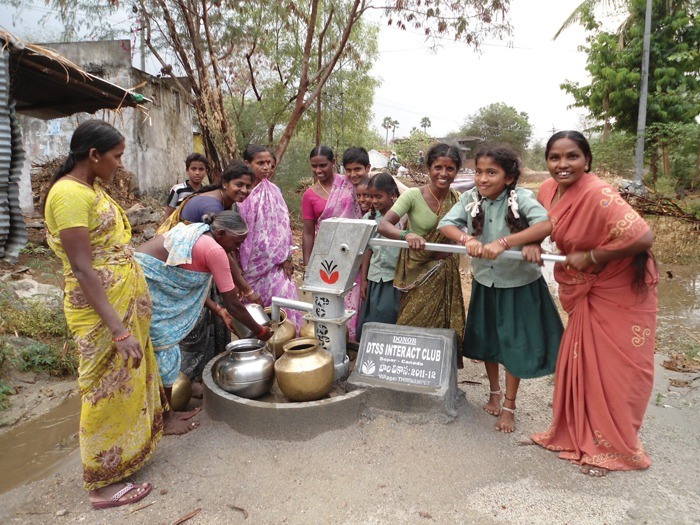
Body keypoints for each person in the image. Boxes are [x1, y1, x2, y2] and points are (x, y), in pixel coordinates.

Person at [43, 120, 164, 510]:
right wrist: (116, 329)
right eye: (116, 157)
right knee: (103, 389)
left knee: (128, 379)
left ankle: (131, 451)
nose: (119, 165)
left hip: (123, 302)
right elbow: (82, 268)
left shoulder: (90, 189)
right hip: (100, 313)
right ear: (93, 155)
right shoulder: (68, 196)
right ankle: (101, 485)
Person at [530, 131, 658, 477]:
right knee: (586, 360)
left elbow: (642, 235)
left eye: (572, 156)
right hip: (587, 287)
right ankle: (579, 435)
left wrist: (593, 254)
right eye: (554, 158)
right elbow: (538, 226)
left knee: (620, 366)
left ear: (587, 160)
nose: (562, 164)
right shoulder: (546, 190)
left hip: (621, 287)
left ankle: (615, 446)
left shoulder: (598, 192)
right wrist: (527, 243)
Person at [438, 145, 563, 433]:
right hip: (485, 283)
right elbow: (447, 224)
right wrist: (466, 240)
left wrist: (506, 243)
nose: (483, 179)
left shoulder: (521, 198)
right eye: (479, 172)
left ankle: (509, 404)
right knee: (489, 342)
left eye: (491, 173)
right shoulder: (471, 198)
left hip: (517, 285)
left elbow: (546, 224)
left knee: (512, 345)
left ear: (508, 178)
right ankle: (493, 391)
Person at [135, 210, 273, 434]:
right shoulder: (214, 250)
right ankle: (163, 420)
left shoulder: (200, 233)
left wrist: (219, 311)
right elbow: (234, 305)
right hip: (143, 284)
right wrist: (260, 331)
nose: (237, 248)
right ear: (220, 233)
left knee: (159, 350)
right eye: (236, 242)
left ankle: (160, 412)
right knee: (166, 349)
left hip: (139, 276)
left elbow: (195, 287)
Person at [157, 160, 257, 385]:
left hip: (199, 265)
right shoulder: (212, 207)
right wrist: (247, 289)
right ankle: (184, 382)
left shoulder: (224, 203)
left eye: (248, 186)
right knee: (198, 328)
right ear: (224, 183)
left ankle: (204, 377)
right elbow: (222, 254)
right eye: (238, 184)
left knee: (218, 319)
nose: (244, 190)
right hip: (187, 271)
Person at [377, 143, 465, 366]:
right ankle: (404, 369)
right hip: (418, 272)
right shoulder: (413, 196)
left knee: (442, 325)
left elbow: (469, 228)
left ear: (457, 171)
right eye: (438, 167)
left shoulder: (459, 199)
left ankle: (437, 370)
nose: (443, 174)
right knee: (410, 322)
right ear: (428, 168)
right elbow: (385, 225)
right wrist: (406, 235)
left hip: (444, 269)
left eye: (450, 168)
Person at [238, 144, 302, 332]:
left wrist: (288, 256)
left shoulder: (274, 190)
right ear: (247, 164)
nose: (266, 167)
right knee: (254, 313)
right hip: (249, 267)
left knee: (285, 303)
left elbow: (284, 226)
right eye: (261, 163)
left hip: (276, 265)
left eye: (270, 164)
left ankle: (289, 348)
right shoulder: (241, 192)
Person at [301, 145, 362, 340]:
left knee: (355, 295)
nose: (318, 170)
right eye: (313, 166)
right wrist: (307, 264)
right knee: (331, 298)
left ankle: (351, 341)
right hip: (327, 256)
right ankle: (333, 342)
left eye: (323, 165)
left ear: (333, 163)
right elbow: (308, 232)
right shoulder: (309, 195)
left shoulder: (350, 183)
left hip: (354, 251)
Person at [357, 173, 402, 340]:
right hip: (375, 276)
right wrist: (364, 279)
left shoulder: (402, 218)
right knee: (374, 315)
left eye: (379, 196)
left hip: (395, 277)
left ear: (391, 195)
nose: (374, 201)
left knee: (390, 316)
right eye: (371, 196)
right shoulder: (368, 218)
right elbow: (367, 249)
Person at [164, 153, 209, 218]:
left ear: (206, 172)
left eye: (201, 169)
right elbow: (168, 214)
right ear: (187, 170)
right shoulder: (177, 189)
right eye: (193, 169)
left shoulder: (207, 192)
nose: (197, 173)